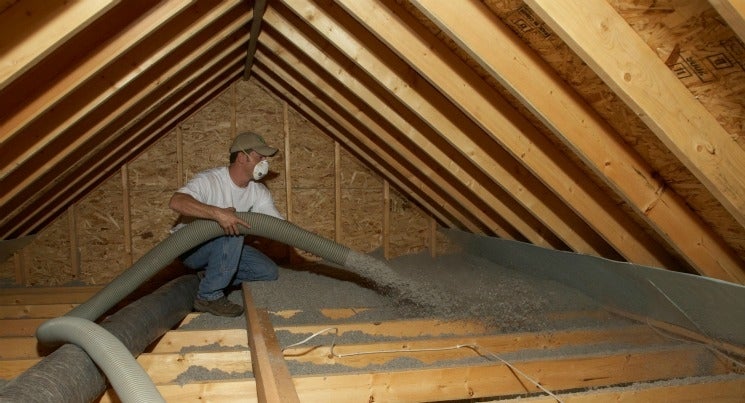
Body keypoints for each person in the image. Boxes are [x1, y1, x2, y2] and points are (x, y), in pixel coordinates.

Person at [169, 132, 283, 316]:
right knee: (232, 230)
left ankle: (209, 278)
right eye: (259, 157)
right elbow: (176, 201)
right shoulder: (210, 180)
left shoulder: (259, 192)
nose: (265, 163)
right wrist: (217, 214)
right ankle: (208, 296)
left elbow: (278, 226)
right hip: (191, 249)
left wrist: (308, 242)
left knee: (267, 271)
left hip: (226, 246)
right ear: (241, 157)